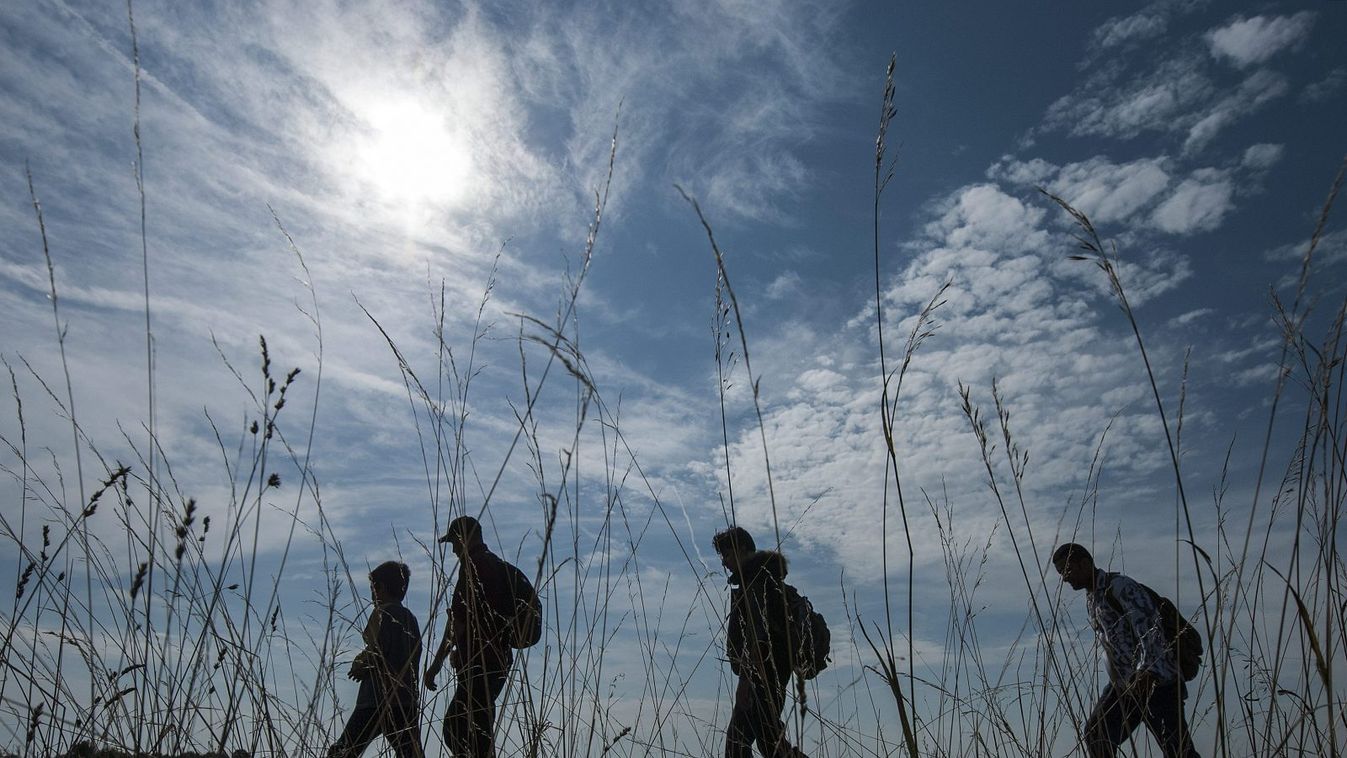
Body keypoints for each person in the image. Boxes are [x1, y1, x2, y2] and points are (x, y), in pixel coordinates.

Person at [1052, 543, 1200, 758]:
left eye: (1067, 570)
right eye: (1060, 573)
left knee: (1178, 751)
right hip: (1124, 686)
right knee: (1097, 734)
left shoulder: (1121, 587)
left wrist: (1146, 672)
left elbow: (1151, 629)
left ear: (1084, 563)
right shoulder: (1092, 598)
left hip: (1157, 683)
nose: (1064, 578)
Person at [714, 526, 808, 758]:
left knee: (741, 745)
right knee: (767, 743)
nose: (724, 562)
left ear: (742, 549)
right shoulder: (763, 579)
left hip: (762, 676)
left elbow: (758, 637)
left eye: (726, 554)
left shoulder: (756, 581)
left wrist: (745, 682)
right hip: (770, 674)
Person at [424, 516, 515, 757]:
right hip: (497, 660)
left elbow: (458, 623)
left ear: (464, 539)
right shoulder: (493, 564)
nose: (453, 550)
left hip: (481, 663)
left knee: (456, 727)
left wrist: (435, 664)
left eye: (454, 542)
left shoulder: (473, 568)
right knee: (478, 729)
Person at [329, 560, 424, 758]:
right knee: (410, 753)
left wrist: (359, 667)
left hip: (375, 700)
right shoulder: (410, 618)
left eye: (373, 588)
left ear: (379, 587)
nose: (372, 595)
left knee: (343, 750)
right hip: (405, 699)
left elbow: (376, 651)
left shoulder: (381, 613)